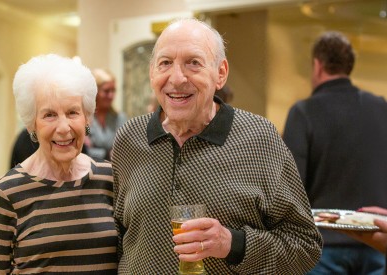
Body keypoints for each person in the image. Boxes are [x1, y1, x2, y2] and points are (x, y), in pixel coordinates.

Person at [112, 18, 322, 274]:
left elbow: (305, 245)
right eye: (165, 63)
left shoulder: (259, 139)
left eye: (193, 63)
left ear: (220, 73)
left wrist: (232, 244)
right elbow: (119, 238)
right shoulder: (129, 139)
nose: (177, 78)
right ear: (152, 73)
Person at [0, 54, 118, 274]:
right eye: (49, 115)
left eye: (73, 112)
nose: (64, 128)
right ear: (31, 123)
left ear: (87, 117)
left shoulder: (110, 178)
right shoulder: (5, 194)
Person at [283, 31, 387, 274]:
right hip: (377, 240)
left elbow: (291, 184)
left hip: (323, 245)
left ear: (317, 66)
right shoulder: (381, 107)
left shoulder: (303, 112)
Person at [84, 68, 126, 160]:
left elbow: (125, 149)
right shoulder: (84, 118)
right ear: (95, 92)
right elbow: (84, 151)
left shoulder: (120, 118)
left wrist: (95, 149)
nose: (111, 95)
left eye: (113, 90)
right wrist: (107, 154)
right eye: (106, 91)